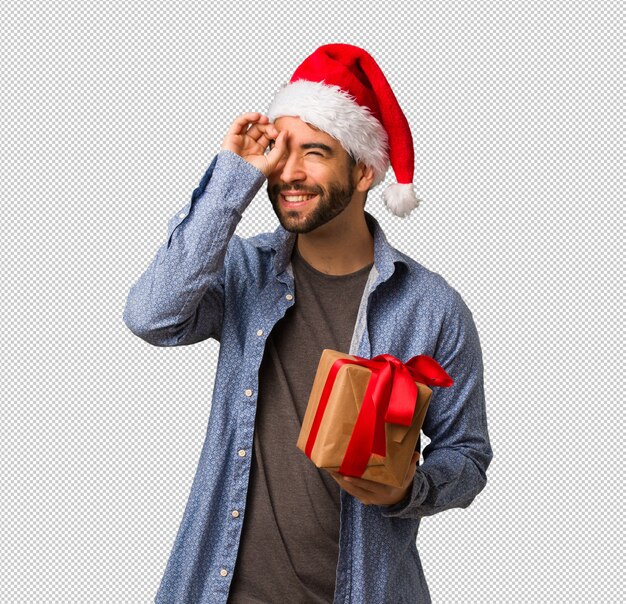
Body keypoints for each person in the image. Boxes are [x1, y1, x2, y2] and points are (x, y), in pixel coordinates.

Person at [123, 43, 493, 604]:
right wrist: (233, 178)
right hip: (226, 590)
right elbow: (151, 316)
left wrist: (407, 489)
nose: (288, 173)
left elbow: (466, 453)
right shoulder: (245, 269)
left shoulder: (432, 307)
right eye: (279, 151)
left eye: (314, 153)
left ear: (364, 170)